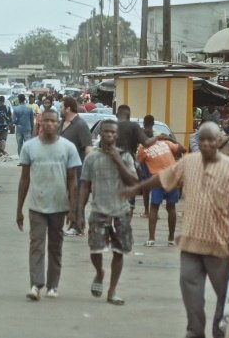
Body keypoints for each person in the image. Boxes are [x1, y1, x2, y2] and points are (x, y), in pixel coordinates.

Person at [120, 122, 229, 338]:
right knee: (191, 290)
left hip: (219, 244)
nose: (206, 144)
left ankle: (219, 330)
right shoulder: (189, 162)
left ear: (219, 142)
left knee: (224, 294)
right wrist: (136, 189)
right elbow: (162, 177)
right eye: (202, 140)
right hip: (190, 243)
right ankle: (195, 330)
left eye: (211, 140)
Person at [16, 109, 82, 301]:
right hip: (37, 205)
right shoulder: (29, 147)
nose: (50, 124)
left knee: (55, 246)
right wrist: (19, 209)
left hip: (59, 205)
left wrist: (73, 209)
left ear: (58, 123)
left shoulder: (67, 147)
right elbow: (24, 179)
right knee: (36, 244)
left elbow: (73, 180)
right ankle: (36, 285)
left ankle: (53, 285)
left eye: (53, 121)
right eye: (46, 121)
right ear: (40, 123)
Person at [78, 119, 138, 305]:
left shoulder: (126, 156)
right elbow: (85, 186)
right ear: (100, 134)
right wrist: (78, 212)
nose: (109, 135)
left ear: (117, 135)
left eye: (113, 132)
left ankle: (112, 291)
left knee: (119, 251)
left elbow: (133, 183)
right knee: (95, 249)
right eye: (106, 132)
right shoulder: (92, 158)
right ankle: (99, 272)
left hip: (121, 211)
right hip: (99, 210)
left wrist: (118, 160)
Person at [137, 127, 186, 247]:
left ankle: (151, 238)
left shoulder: (143, 149)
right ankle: (170, 238)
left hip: (158, 178)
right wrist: (170, 139)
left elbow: (139, 164)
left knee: (154, 207)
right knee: (171, 207)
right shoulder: (166, 143)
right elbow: (182, 149)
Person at [59, 97, 92, 235]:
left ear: (67, 108)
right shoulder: (62, 124)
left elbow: (88, 149)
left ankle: (77, 227)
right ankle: (71, 223)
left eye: (61, 106)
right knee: (68, 197)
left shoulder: (80, 125)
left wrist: (88, 172)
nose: (59, 109)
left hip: (78, 170)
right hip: (63, 169)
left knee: (78, 197)